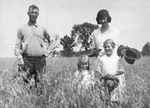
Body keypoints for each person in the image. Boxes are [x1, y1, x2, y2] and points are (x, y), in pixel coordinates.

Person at [14, 5, 53, 86]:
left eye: (36, 13)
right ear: (28, 13)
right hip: (26, 60)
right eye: (32, 12)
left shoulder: (42, 29)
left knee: (40, 85)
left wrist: (47, 53)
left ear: (38, 14)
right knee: (25, 85)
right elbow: (17, 46)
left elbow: (52, 41)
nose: (34, 14)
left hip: (40, 61)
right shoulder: (22, 29)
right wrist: (19, 58)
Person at [96, 39, 125, 107]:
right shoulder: (101, 59)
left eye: (109, 46)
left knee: (115, 101)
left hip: (116, 82)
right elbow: (98, 70)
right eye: (105, 47)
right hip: (105, 82)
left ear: (113, 47)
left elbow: (122, 70)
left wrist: (114, 74)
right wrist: (102, 75)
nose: (107, 48)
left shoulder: (117, 58)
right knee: (106, 101)